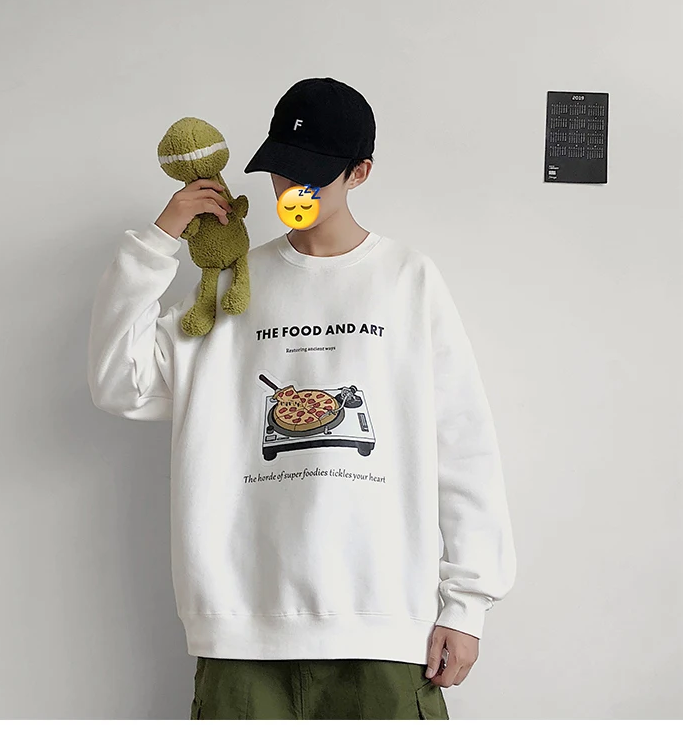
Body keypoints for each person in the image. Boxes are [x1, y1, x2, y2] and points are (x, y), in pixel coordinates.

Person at [87, 77, 517, 720]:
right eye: (282, 172)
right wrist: (159, 240)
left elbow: (463, 444)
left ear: (360, 172)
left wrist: (467, 605)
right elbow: (120, 383)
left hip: (383, 625)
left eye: (313, 175)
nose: (292, 191)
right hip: (240, 628)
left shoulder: (407, 280)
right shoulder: (230, 286)